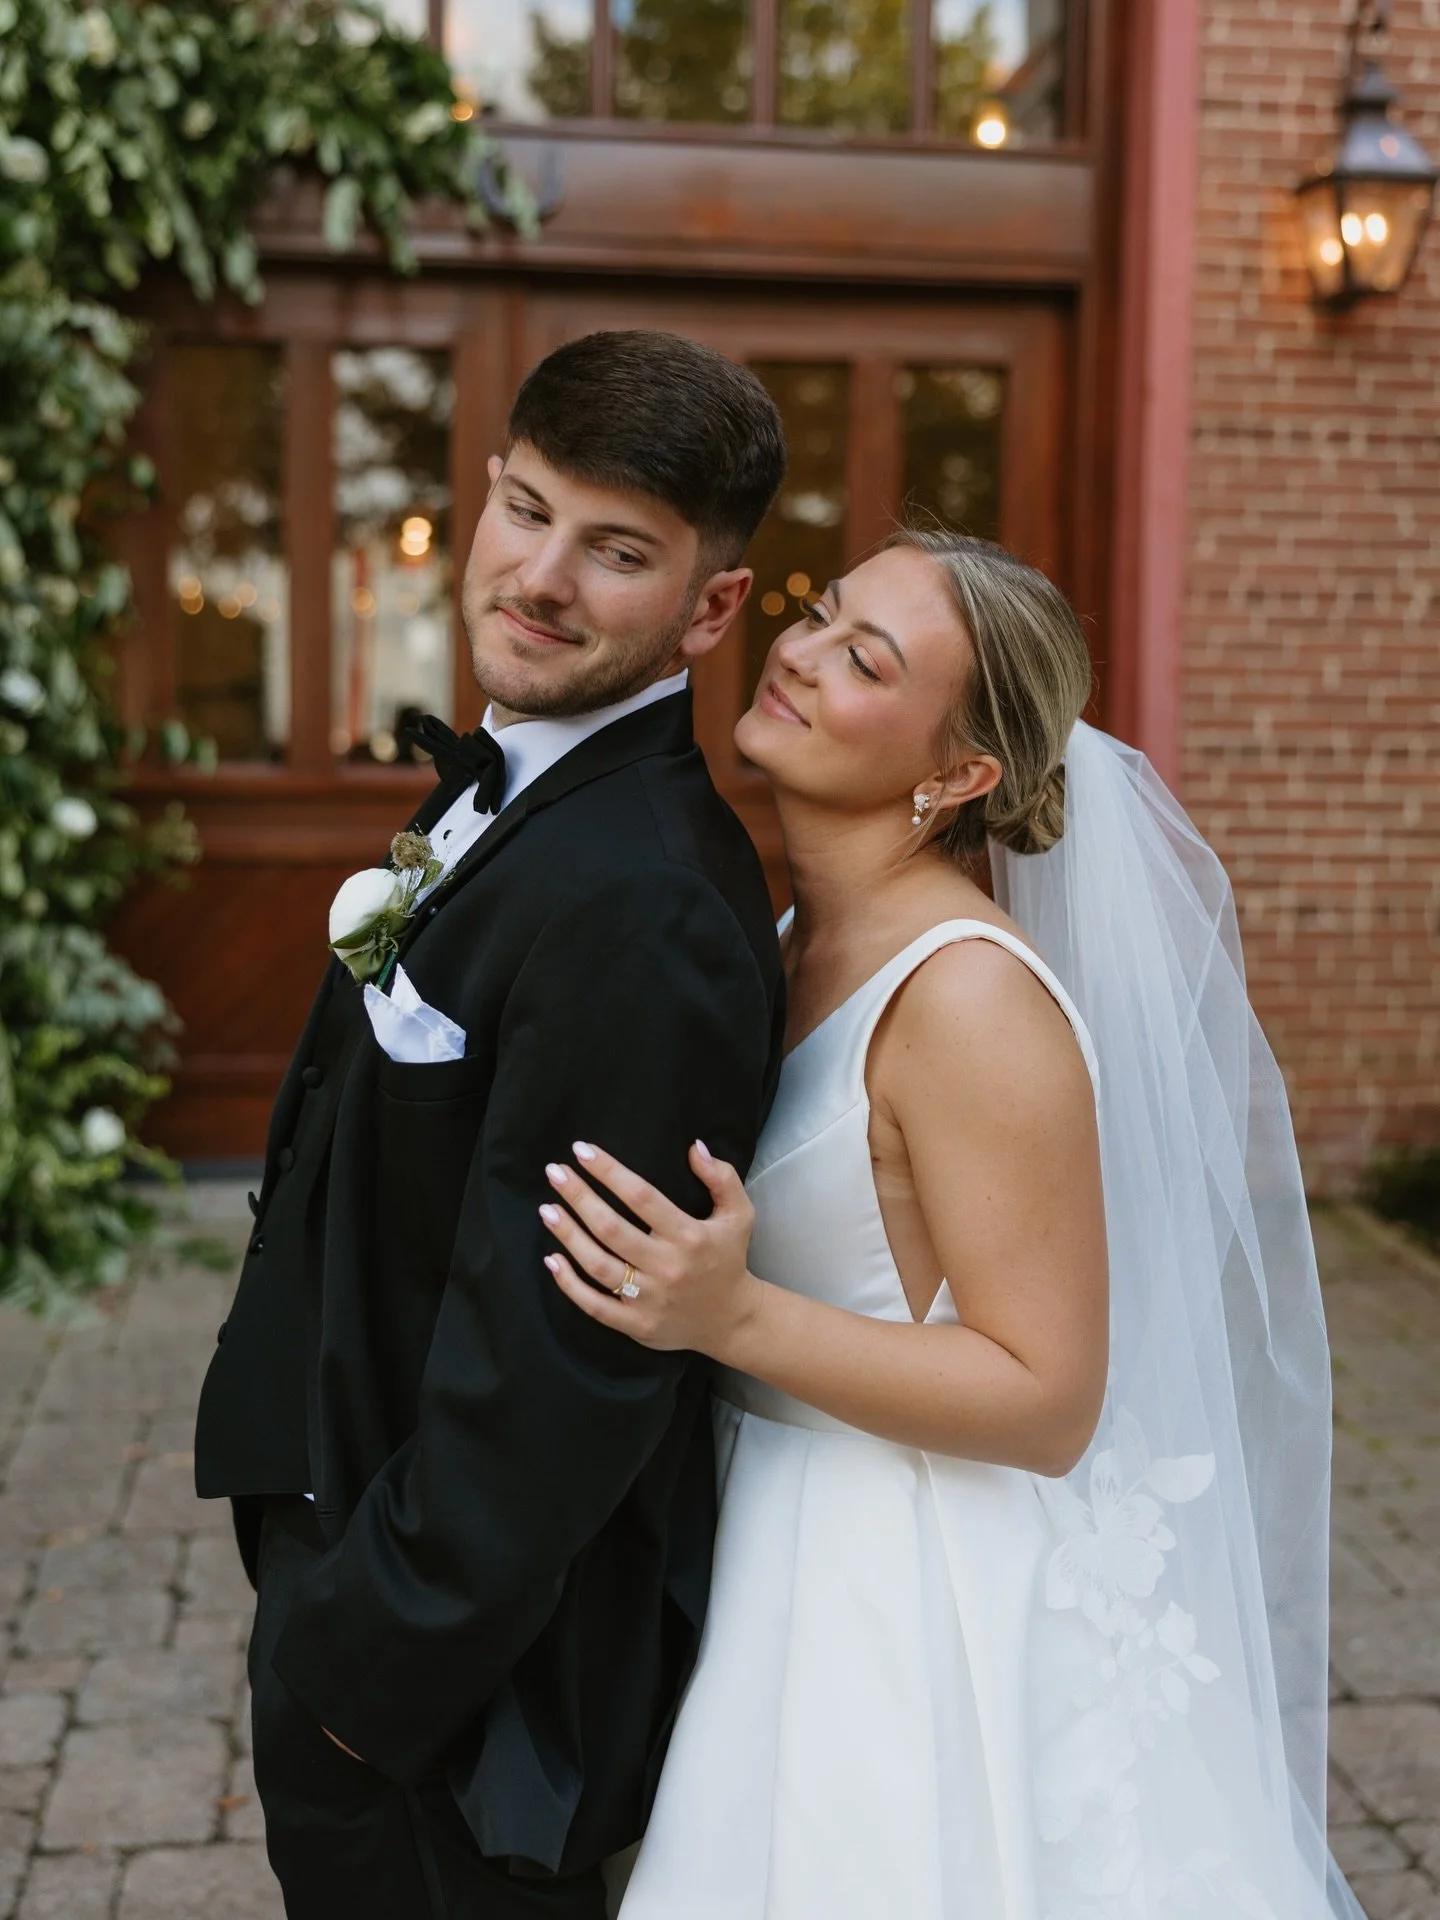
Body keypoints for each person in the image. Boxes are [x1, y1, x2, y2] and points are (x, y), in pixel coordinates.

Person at [539, 531, 1366, 1920]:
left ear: (959, 776)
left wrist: (734, 1317)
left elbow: (1048, 1397)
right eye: (823, 616)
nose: (798, 651)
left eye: (867, 659)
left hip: (900, 1578)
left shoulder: (973, 1003)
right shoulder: (800, 924)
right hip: (759, 1526)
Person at [192, 330, 788, 1920]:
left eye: (618, 552)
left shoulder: (646, 904)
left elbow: (565, 1362)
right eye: (526, 510)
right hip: (366, 1579)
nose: (538, 577)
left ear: (711, 606)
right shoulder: (526, 791)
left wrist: (354, 1674)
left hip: (455, 1717)